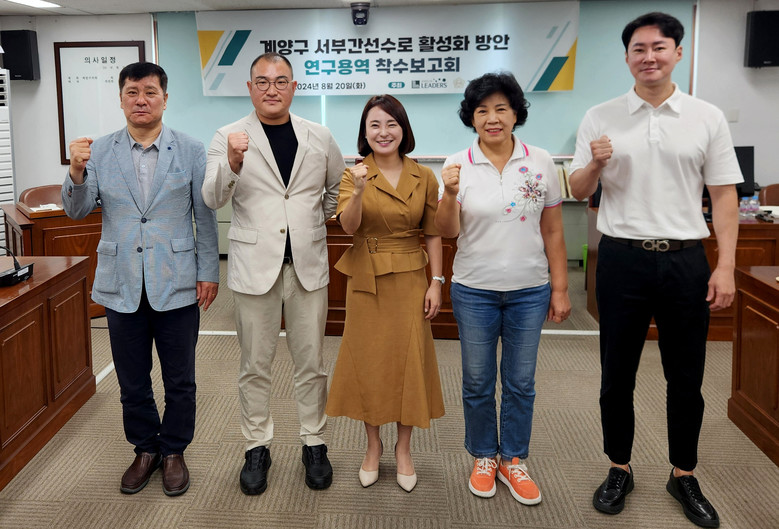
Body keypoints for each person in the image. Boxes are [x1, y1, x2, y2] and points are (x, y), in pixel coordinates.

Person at [569, 12, 741, 529]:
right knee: (616, 373)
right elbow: (577, 190)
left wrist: (726, 266)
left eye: (659, 47)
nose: (649, 57)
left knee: (686, 375)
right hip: (621, 258)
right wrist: (596, 164)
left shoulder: (706, 116)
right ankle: (618, 467)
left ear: (677, 53)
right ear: (626, 57)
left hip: (686, 259)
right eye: (639, 49)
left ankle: (683, 473)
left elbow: (724, 196)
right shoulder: (600, 115)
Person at [62, 62, 220, 497]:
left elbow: (204, 218)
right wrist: (75, 173)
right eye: (132, 92)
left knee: (180, 379)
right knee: (132, 380)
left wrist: (208, 271)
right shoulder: (99, 151)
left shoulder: (190, 149)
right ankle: (145, 448)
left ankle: (174, 450)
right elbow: (76, 211)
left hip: (178, 280)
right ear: (121, 99)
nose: (141, 100)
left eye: (150, 92)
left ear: (165, 99)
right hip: (121, 282)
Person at [202, 52, 344, 495]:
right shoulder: (228, 136)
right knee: (254, 365)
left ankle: (313, 442)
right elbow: (211, 198)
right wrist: (232, 162)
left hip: (307, 267)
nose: (271, 89)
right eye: (262, 81)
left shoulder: (319, 135)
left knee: (311, 363)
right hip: (253, 269)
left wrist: (312, 223)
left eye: (281, 81)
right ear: (249, 88)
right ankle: (256, 446)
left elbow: (336, 189)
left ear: (293, 87)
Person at [435, 72, 571, 505]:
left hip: (530, 289)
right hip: (474, 289)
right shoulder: (457, 164)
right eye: (482, 111)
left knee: (520, 381)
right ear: (471, 118)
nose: (492, 118)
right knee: (477, 380)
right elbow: (447, 230)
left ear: (515, 113)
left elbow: (553, 230)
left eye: (500, 109)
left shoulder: (541, 161)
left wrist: (560, 288)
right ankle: (483, 455)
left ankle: (513, 459)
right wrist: (448, 193)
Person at [325, 95, 445, 492]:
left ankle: (404, 448)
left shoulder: (424, 176)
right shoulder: (354, 174)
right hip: (367, 277)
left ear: (403, 129)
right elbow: (348, 227)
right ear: (364, 133)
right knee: (371, 363)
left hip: (410, 277)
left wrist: (436, 281)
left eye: (391, 124)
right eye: (374, 125)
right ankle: (373, 446)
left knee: (409, 362)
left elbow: (433, 233)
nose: (383, 132)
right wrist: (359, 190)